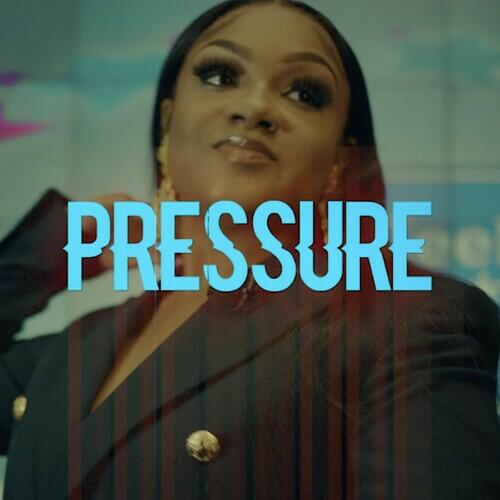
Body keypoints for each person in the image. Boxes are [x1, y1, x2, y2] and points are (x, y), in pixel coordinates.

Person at [1, 1, 499, 498]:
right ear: (168, 122)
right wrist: (44, 252)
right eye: (220, 75)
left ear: (339, 161)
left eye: (304, 93)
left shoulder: (407, 321)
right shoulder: (74, 348)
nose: (255, 107)